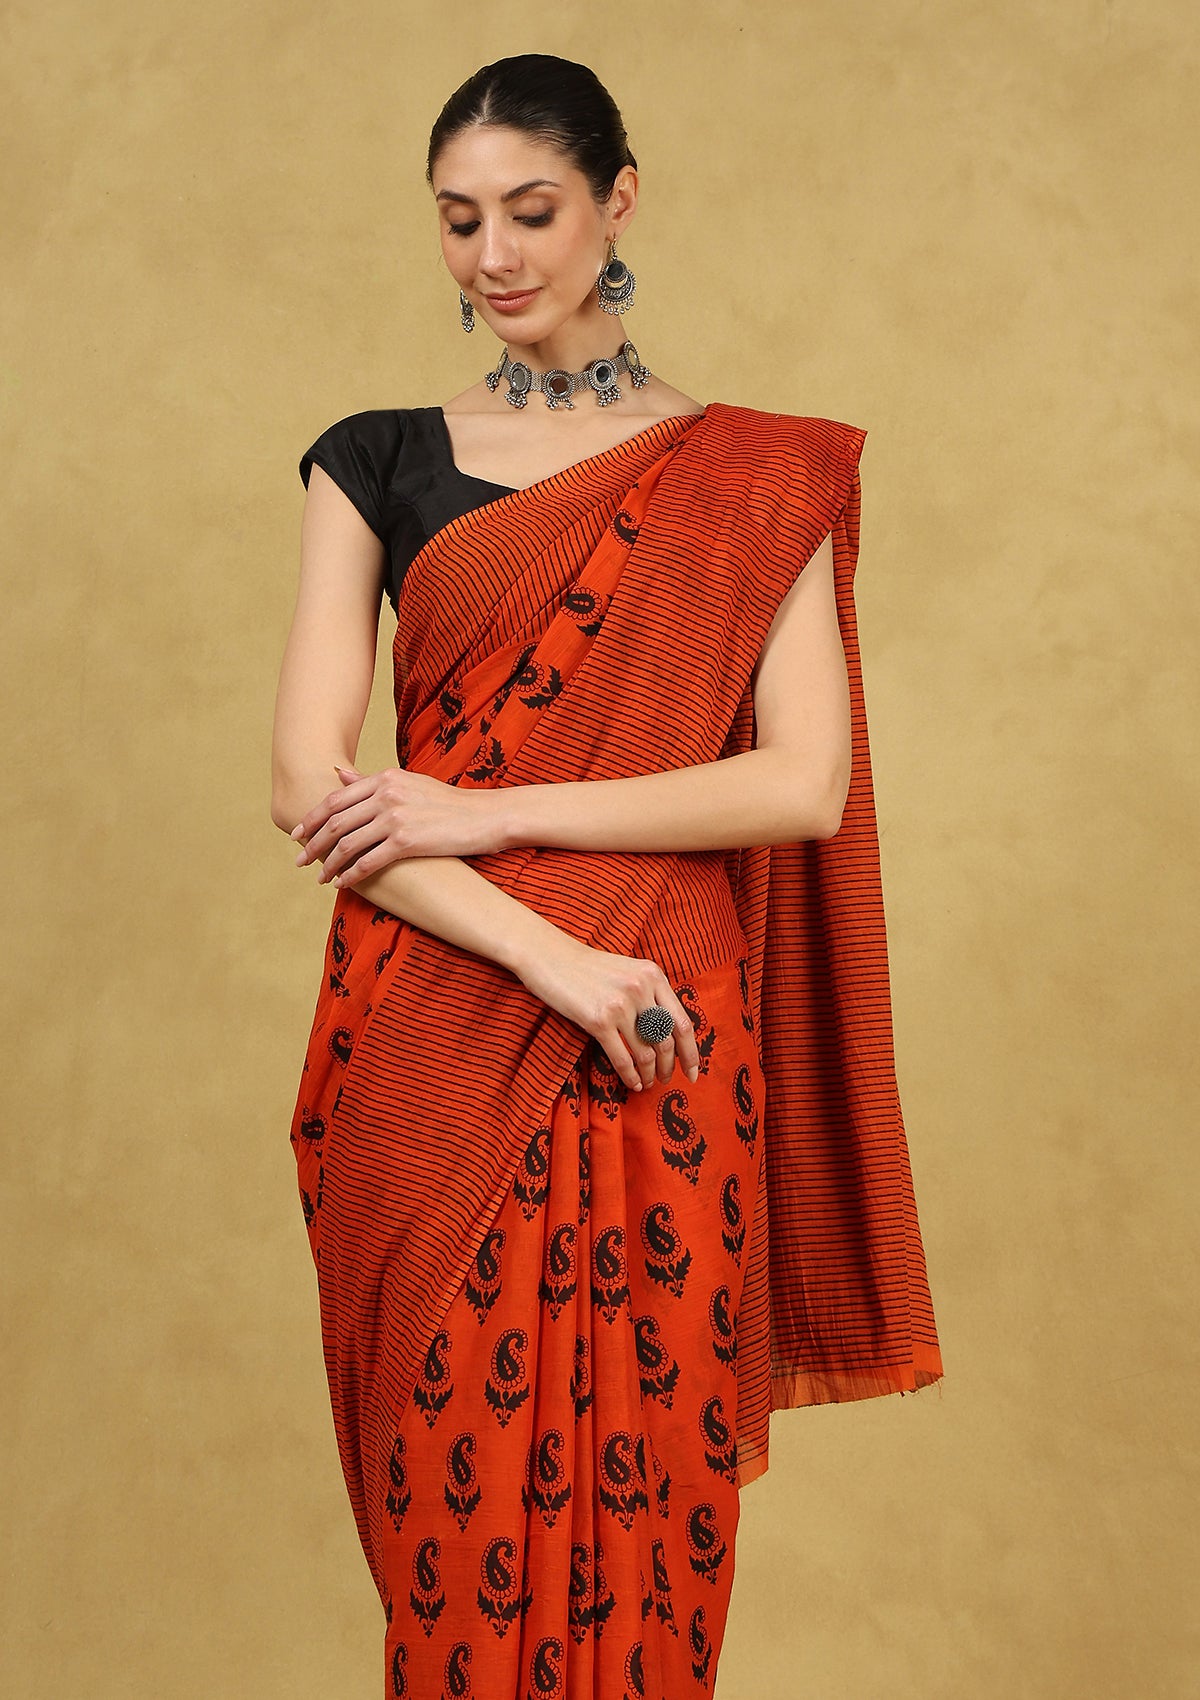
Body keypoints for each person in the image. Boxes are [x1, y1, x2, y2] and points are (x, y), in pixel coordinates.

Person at [271, 52, 944, 1700]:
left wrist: (490, 813)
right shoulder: (372, 458)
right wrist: (549, 956)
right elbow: (310, 785)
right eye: (459, 221)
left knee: (656, 1509)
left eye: (532, 211)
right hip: (435, 1023)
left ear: (616, 202)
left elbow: (799, 784)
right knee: (449, 1543)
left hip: (665, 1039)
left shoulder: (756, 477)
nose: (495, 255)